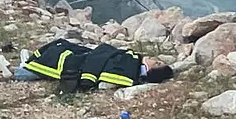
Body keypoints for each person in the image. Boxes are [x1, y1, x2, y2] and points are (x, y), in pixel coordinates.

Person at [21, 39, 174, 93]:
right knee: (65, 47)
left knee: (64, 59)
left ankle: (20, 71)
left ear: (151, 70)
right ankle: (31, 61)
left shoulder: (130, 69)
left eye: (158, 63)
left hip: (83, 64)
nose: (155, 59)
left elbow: (106, 73)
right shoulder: (132, 60)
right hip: (90, 56)